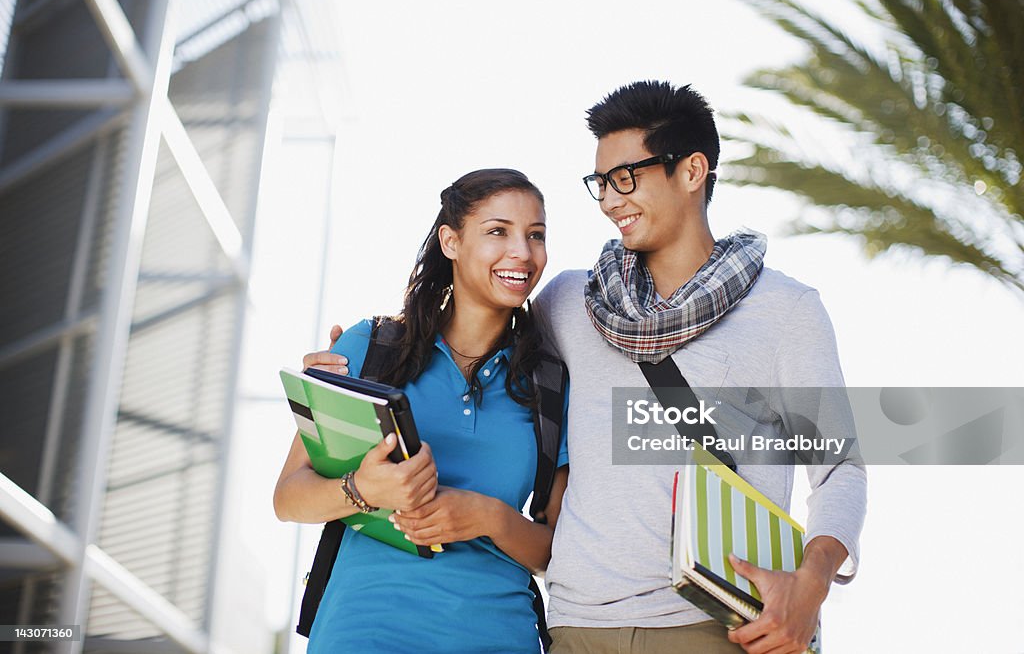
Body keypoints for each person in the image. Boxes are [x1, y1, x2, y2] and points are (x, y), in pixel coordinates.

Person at [308, 81, 867, 654]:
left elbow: (840, 469)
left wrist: (813, 583)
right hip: (577, 628)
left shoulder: (785, 311)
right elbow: (470, 325)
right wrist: (354, 362)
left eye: (626, 177)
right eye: (600, 183)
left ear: (693, 170)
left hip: (714, 621)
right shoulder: (569, 302)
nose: (609, 200)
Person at [276, 168, 569, 653]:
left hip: (497, 635)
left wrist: (491, 517)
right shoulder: (368, 348)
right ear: (450, 242)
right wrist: (362, 489)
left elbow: (556, 550)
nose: (522, 251)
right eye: (498, 231)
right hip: (362, 630)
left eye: (535, 235)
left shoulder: (550, 382)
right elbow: (288, 498)